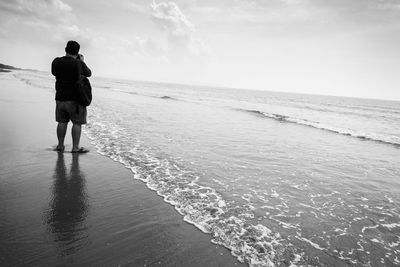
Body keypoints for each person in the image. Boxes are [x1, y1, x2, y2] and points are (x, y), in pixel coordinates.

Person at [51, 40, 92, 153]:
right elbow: (89, 73)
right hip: (75, 99)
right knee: (77, 123)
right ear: (77, 52)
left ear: (65, 49)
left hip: (60, 98)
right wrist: (82, 61)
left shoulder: (56, 61)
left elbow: (54, 73)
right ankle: (75, 148)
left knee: (62, 122)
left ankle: (60, 146)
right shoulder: (78, 63)